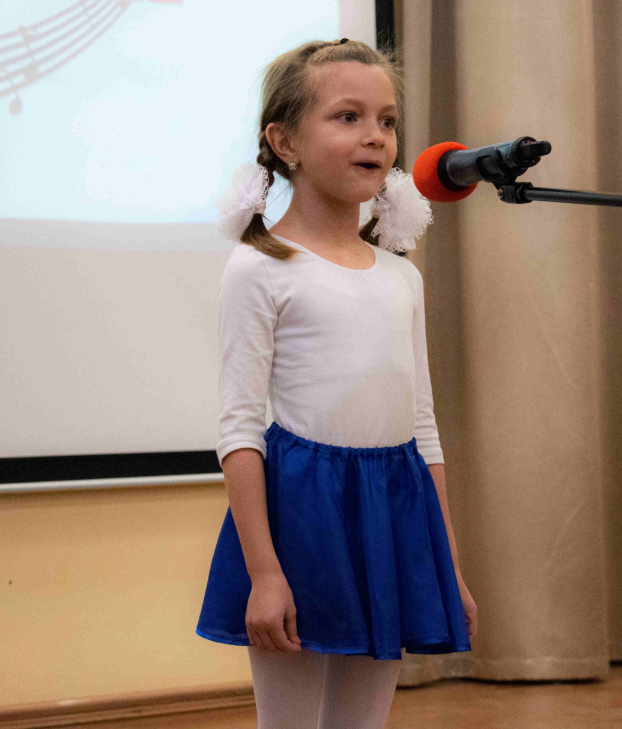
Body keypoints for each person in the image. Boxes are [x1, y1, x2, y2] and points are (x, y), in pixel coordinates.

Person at [196, 38, 475, 729]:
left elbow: (424, 427)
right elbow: (239, 427)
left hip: (393, 507)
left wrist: (447, 562)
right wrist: (265, 571)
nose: (375, 136)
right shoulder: (260, 268)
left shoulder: (401, 275)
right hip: (301, 515)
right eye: (348, 117)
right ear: (284, 141)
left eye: (387, 120)